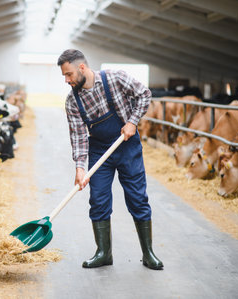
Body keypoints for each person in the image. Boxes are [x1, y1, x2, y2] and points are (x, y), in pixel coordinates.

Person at [57, 49, 163, 270]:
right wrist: (79, 168)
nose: (67, 80)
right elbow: (78, 135)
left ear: (82, 68)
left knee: (137, 198)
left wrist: (133, 122)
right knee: (98, 200)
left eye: (69, 74)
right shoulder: (72, 101)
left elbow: (144, 94)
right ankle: (104, 253)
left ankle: (148, 253)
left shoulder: (115, 78)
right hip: (99, 151)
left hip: (127, 146)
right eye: (64, 76)